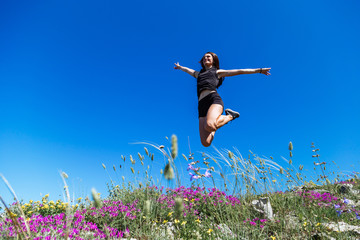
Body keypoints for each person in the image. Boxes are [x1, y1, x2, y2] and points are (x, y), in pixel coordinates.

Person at [174, 52, 270, 147]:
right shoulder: (198, 74)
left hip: (213, 100)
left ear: (213, 60)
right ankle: (214, 122)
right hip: (201, 105)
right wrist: (180, 67)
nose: (205, 59)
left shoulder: (217, 72)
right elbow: (187, 70)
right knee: (206, 142)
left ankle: (230, 116)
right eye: (204, 58)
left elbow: (239, 71)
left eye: (208, 57)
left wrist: (259, 70)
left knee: (210, 125)